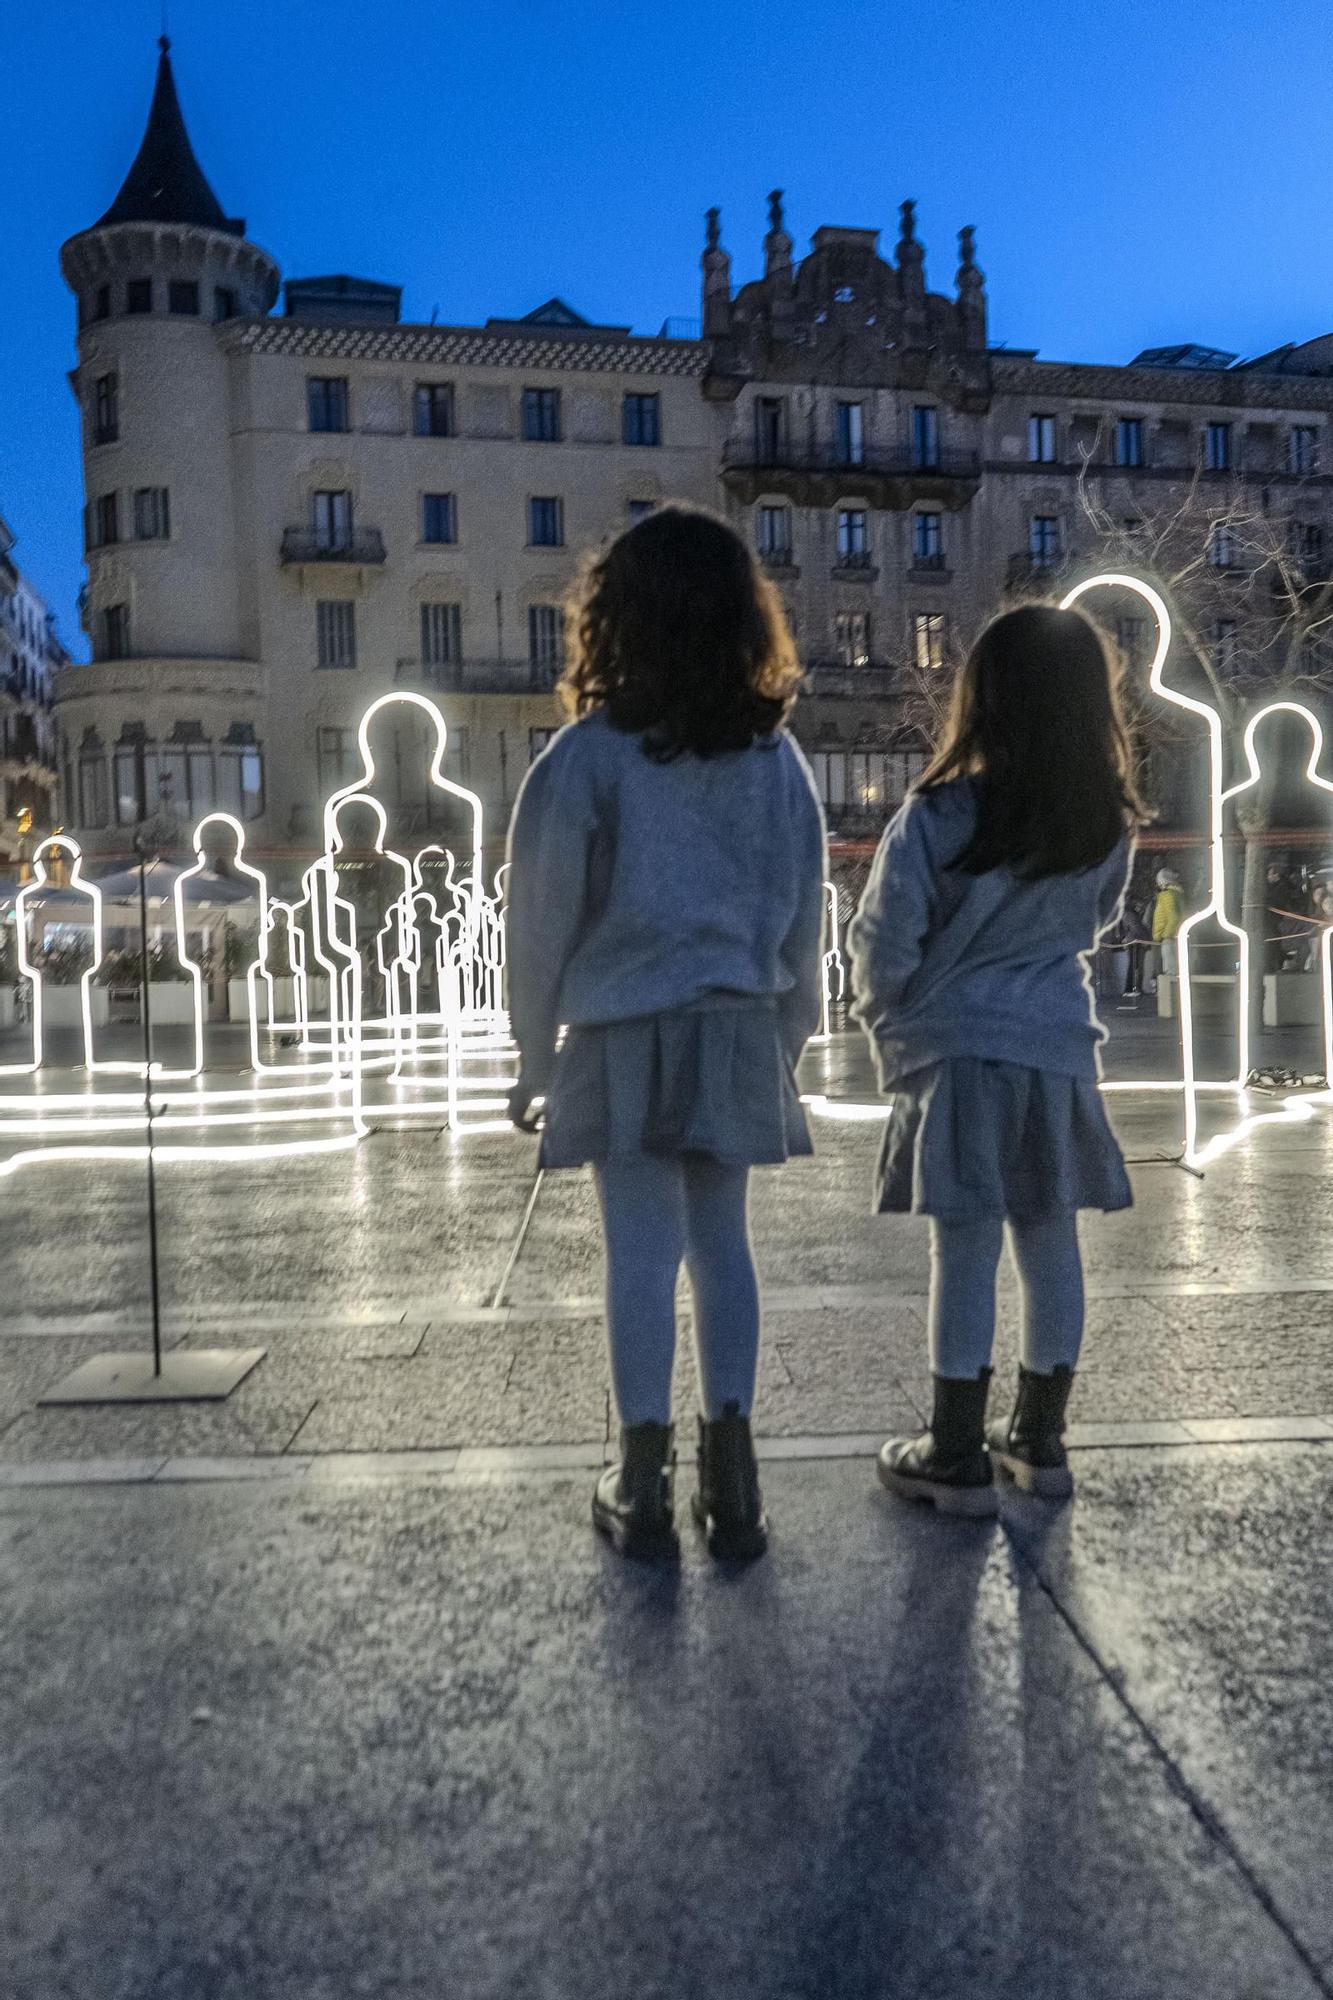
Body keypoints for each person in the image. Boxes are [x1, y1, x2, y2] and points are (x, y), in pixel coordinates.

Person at [505, 506, 826, 1562]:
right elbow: (801, 915)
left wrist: (530, 1049)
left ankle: (641, 1481)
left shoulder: (585, 758)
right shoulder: (777, 763)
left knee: (637, 1253)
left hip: (620, 1027)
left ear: (615, 620)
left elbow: (541, 915)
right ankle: (734, 1483)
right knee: (722, 1247)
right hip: (732, 1021)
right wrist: (786, 1036)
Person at [848, 603, 1143, 1516]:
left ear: (983, 698)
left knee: (964, 1250)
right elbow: (1091, 925)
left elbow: (882, 942)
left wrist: (889, 1028)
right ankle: (1040, 1440)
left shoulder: (937, 814)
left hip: (956, 1055)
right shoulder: (1105, 824)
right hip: (1055, 1052)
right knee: (1050, 1241)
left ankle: (952, 1451)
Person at [1151, 867, 1184, 981]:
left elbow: (1173, 916)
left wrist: (1164, 935)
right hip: (1177, 936)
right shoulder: (1179, 894)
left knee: (1170, 972)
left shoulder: (1166, 895)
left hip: (1168, 939)